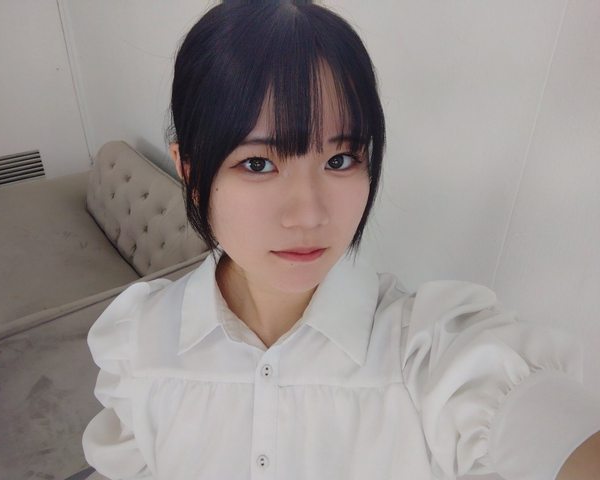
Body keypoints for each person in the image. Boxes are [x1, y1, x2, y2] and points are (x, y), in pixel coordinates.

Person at [82, 1, 600, 479]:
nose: (309, 214)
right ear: (189, 172)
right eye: (258, 163)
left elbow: (525, 413)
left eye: (340, 159)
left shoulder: (426, 353)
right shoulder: (138, 346)